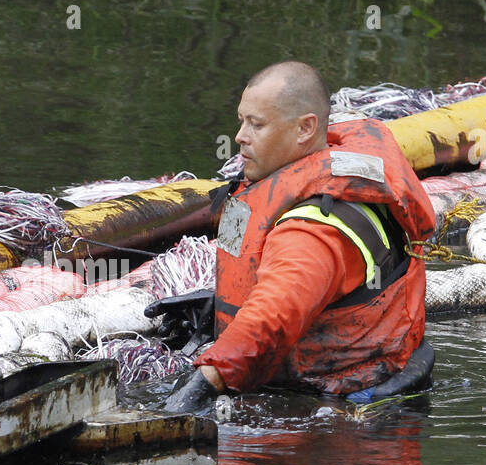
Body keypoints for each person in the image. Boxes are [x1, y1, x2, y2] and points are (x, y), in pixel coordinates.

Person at [163, 61, 437, 411]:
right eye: (242, 120)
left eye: (256, 124)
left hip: (332, 406)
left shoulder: (312, 229)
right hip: (363, 367)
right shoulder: (332, 175)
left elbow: (274, 315)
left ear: (305, 128)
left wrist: (199, 385)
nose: (240, 136)